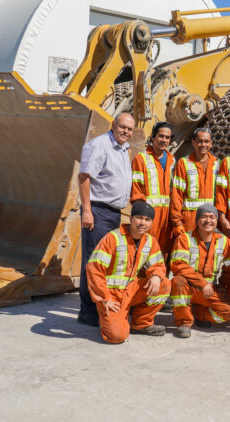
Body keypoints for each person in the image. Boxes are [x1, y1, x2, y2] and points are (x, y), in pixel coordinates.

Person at [77, 112, 134, 327]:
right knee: (93, 263)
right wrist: (88, 211)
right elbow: (84, 177)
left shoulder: (122, 149)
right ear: (113, 125)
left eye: (129, 129)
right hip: (98, 211)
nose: (125, 132)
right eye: (122, 127)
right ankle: (88, 313)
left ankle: (100, 307)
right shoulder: (100, 145)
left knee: (106, 262)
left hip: (113, 213)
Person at [85, 202, 171, 344]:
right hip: (111, 295)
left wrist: (156, 275)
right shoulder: (113, 238)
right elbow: (94, 269)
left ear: (151, 223)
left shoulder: (150, 241)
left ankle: (141, 324)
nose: (142, 223)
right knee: (117, 336)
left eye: (147, 220)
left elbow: (158, 264)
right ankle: (109, 319)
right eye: (139, 217)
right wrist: (104, 298)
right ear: (131, 219)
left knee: (164, 284)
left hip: (131, 290)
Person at [169, 204, 230, 338]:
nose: (208, 221)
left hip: (209, 290)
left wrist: (224, 285)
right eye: (203, 217)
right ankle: (184, 322)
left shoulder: (224, 242)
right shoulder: (185, 238)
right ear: (197, 221)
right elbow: (178, 264)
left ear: (217, 221)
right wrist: (202, 283)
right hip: (189, 287)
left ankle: (200, 313)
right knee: (177, 281)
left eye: (212, 217)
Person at [131, 121, 175, 258]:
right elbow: (136, 189)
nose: (164, 140)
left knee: (165, 251)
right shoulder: (141, 159)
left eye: (167, 138)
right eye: (161, 136)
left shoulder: (172, 160)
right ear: (153, 138)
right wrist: (142, 216)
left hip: (168, 216)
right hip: (149, 215)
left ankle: (162, 278)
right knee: (146, 250)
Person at [170, 128, 219, 237]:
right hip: (189, 221)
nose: (203, 144)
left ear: (211, 144)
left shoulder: (217, 164)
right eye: (200, 141)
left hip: (210, 220)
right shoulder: (184, 163)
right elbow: (177, 195)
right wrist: (177, 222)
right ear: (193, 143)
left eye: (206, 142)